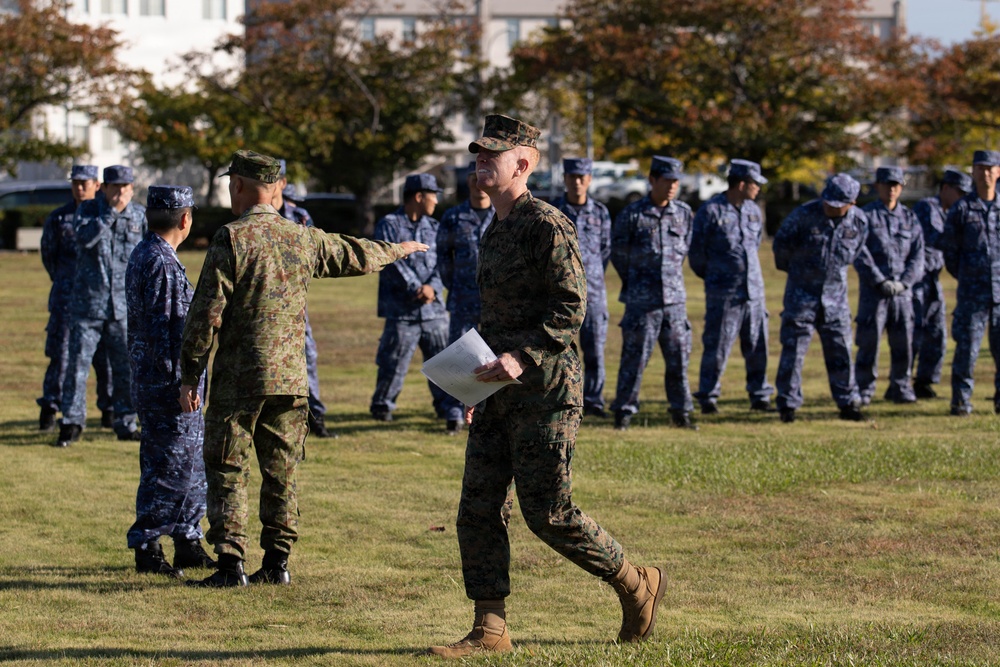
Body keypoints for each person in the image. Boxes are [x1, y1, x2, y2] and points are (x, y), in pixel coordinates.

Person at [428, 115, 665, 659]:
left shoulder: (546, 224)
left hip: (547, 392)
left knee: (549, 513)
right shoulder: (497, 227)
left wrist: (521, 358)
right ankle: (490, 629)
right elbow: (497, 318)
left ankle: (635, 582)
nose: (481, 162)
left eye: (494, 154)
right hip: (497, 393)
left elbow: (570, 307)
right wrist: (475, 384)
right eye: (478, 154)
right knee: (478, 508)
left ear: (524, 163)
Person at [178, 150, 427, 588]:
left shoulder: (231, 239)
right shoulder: (301, 237)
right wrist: (397, 250)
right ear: (275, 188)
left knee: (228, 466)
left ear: (237, 186)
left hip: (241, 378)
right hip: (292, 379)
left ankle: (231, 564)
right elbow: (353, 253)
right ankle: (277, 562)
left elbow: (205, 316)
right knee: (282, 469)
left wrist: (190, 374)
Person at [125, 185, 215, 579]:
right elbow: (165, 332)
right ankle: (147, 547)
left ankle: (187, 539)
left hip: (166, 380)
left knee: (189, 465)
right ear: (185, 218)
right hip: (167, 383)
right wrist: (183, 383)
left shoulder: (154, 254)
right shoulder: (159, 261)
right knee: (165, 466)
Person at [55, 165, 146, 447]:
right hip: (88, 305)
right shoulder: (88, 211)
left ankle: (125, 421)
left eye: (125, 187)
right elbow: (84, 239)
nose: (120, 193)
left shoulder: (139, 215)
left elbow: (147, 255)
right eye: (114, 187)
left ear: (132, 188)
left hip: (123, 306)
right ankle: (71, 422)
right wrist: (111, 214)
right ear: (103, 188)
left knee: (125, 367)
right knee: (77, 366)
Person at [609, 155, 697, 431]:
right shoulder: (632, 215)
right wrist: (638, 282)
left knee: (679, 361)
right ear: (652, 180)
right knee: (633, 361)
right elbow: (619, 256)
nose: (672, 186)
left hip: (674, 302)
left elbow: (684, 250)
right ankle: (623, 412)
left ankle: (681, 412)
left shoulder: (683, 213)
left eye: (676, 182)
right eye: (667, 180)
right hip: (641, 303)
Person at [773, 173, 868, 423]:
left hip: (835, 299)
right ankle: (788, 405)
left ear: (852, 203)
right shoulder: (803, 215)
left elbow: (854, 253)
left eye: (838, 205)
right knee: (793, 354)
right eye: (828, 201)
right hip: (801, 297)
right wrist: (799, 273)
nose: (830, 207)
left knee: (841, 353)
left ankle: (848, 404)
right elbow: (781, 248)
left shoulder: (859, 223)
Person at [689, 159, 774, 414]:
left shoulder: (753, 210)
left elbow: (755, 244)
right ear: (740, 183)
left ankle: (759, 395)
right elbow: (697, 254)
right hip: (724, 294)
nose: (758, 188)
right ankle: (708, 396)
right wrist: (717, 278)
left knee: (759, 346)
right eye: (755, 183)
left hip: (754, 292)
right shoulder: (711, 211)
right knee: (717, 347)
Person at [369, 173, 451, 428]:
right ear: (418, 196)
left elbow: (445, 262)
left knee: (443, 364)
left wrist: (434, 288)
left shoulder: (435, 227)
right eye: (433, 195)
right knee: (393, 363)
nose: (436, 201)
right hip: (401, 311)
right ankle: (383, 407)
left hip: (433, 311)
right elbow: (389, 259)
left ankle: (447, 408)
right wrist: (418, 288)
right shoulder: (389, 225)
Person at [37, 164, 114, 432]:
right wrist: (64, 282)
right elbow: (49, 256)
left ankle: (110, 409)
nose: (79, 187)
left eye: (85, 182)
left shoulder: (110, 216)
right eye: (75, 183)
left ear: (97, 185)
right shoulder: (60, 219)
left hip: (103, 299)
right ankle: (50, 407)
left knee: (107, 357)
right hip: (67, 298)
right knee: (62, 354)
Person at [272, 160, 334, 439]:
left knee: (308, 356)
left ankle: (315, 416)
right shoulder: (253, 216)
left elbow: (316, 255)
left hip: (296, 304)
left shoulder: (301, 217)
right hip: (263, 305)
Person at [854, 167, 925, 405]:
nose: (892, 189)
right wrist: (879, 280)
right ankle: (864, 389)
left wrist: (905, 283)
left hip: (903, 294)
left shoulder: (910, 217)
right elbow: (859, 252)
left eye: (896, 184)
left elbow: (918, 255)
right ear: (878, 186)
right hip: (875, 293)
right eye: (887, 184)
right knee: (868, 343)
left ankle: (900, 387)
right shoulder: (865, 216)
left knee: (904, 343)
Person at [938, 150, 1000, 416]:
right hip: (972, 293)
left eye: (990, 168)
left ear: (998, 172)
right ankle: (961, 401)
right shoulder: (961, 209)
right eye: (980, 168)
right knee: (967, 350)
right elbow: (950, 253)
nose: (985, 174)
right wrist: (967, 276)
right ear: (973, 172)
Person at [436, 162, 495, 435]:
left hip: (495, 302)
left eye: (481, 176)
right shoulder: (453, 217)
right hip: (462, 298)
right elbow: (443, 260)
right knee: (457, 360)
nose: (477, 182)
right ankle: (453, 413)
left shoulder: (502, 214)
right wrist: (455, 286)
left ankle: (490, 411)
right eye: (473, 177)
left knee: (492, 357)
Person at [551, 157, 613, 418]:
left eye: (582, 177)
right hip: (559, 296)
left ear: (589, 180)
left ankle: (594, 400)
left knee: (595, 350)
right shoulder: (553, 212)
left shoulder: (600, 212)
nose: (577, 182)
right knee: (557, 352)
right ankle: (560, 400)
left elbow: (606, 251)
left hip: (593, 294)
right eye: (572, 177)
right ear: (565, 179)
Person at [911, 168, 972, 399]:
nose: (963, 199)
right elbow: (939, 239)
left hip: (933, 280)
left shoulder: (950, 212)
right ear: (946, 188)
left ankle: (925, 382)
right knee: (915, 333)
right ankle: (902, 383)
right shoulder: (928, 207)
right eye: (960, 193)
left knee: (937, 334)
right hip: (918, 281)